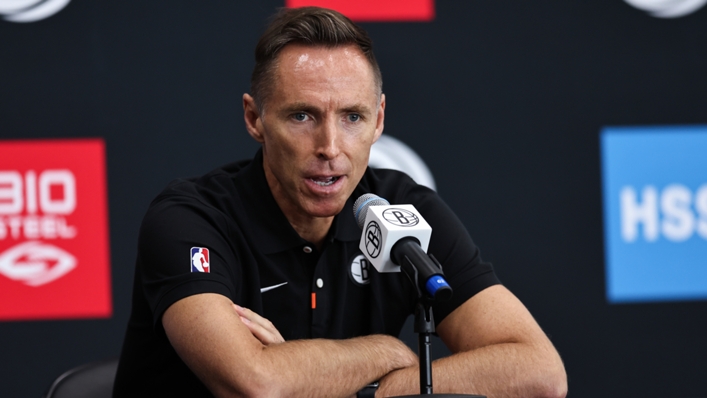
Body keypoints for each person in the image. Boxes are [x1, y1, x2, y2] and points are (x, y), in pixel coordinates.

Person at [113, 6, 567, 398]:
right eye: (302, 115)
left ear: (379, 120)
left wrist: (356, 386)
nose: (330, 146)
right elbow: (255, 385)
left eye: (352, 116)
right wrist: (386, 353)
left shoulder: (407, 211)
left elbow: (540, 374)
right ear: (255, 118)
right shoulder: (190, 219)